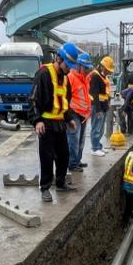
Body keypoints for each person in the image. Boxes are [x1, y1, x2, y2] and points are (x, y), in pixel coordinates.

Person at [31, 42, 80, 202]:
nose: (70, 69)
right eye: (68, 64)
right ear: (59, 59)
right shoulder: (43, 74)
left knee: (63, 155)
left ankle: (60, 183)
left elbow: (64, 103)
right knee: (47, 157)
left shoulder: (65, 79)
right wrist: (37, 120)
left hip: (59, 124)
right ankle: (45, 188)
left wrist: (69, 119)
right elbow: (33, 99)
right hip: (46, 123)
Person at [67, 52, 93, 172]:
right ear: (79, 66)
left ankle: (77, 160)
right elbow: (66, 96)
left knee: (81, 140)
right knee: (73, 139)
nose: (87, 70)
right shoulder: (71, 77)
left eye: (88, 68)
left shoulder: (85, 78)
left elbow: (86, 96)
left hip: (83, 114)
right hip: (74, 113)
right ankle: (72, 164)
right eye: (85, 67)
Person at [88, 55, 114, 156]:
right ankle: (94, 148)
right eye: (107, 69)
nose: (108, 72)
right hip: (97, 106)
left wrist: (106, 107)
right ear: (102, 66)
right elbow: (94, 94)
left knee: (101, 128)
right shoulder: (95, 76)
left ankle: (98, 146)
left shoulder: (103, 76)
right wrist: (98, 109)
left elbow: (105, 94)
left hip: (103, 106)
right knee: (96, 127)